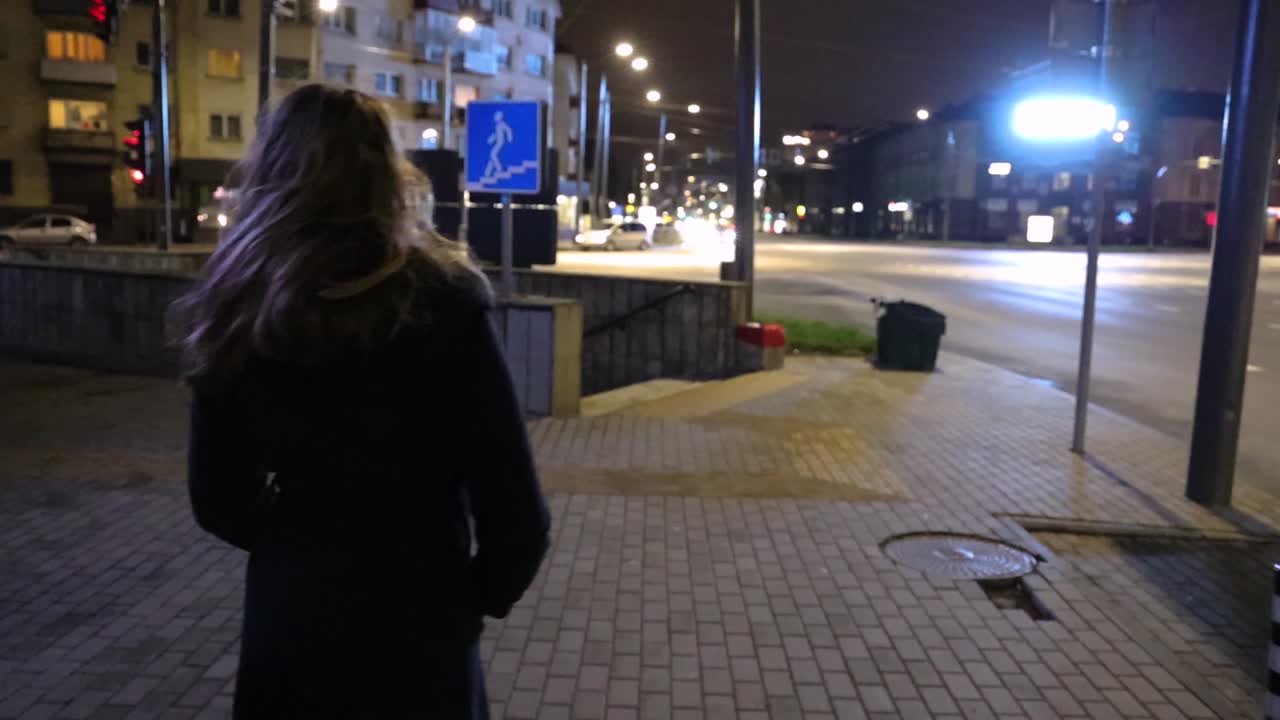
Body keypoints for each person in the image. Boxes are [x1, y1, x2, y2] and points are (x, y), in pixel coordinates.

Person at [174, 85, 550, 719]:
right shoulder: (443, 300)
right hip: (419, 618)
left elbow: (217, 499)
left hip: (292, 620)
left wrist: (298, 547)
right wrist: (467, 600)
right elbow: (514, 508)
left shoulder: (239, 300)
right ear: (386, 174)